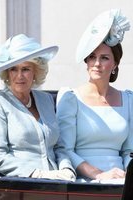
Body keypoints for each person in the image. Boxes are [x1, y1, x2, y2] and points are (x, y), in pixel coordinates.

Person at [0, 34, 76, 181]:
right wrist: (37, 174)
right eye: (13, 69)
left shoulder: (46, 100)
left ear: (35, 72)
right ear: (7, 72)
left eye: (25, 69)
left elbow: (58, 147)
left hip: (58, 183)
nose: (19, 76)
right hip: (20, 184)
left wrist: (66, 168)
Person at [56, 9, 133, 182]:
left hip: (121, 183)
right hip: (84, 183)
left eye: (104, 58)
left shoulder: (129, 100)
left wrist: (128, 177)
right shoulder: (71, 98)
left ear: (115, 64)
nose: (97, 63)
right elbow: (64, 150)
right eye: (92, 57)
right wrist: (99, 174)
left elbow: (129, 151)